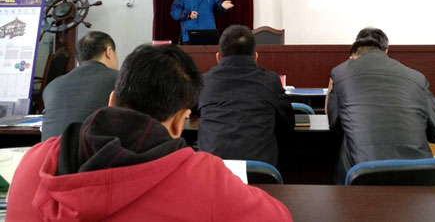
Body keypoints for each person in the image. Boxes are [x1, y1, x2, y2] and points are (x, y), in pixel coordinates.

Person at [7, 44, 291, 221]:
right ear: (180, 122)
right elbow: (279, 217)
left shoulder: (36, 159)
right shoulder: (207, 178)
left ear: (112, 100)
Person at [327, 27, 435, 184]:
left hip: (363, 178)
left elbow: (333, 125)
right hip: (417, 179)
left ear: (355, 51)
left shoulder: (340, 73)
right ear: (386, 50)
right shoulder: (416, 77)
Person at [197, 25, 294, 166]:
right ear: (255, 57)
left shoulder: (203, 82)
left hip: (213, 173)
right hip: (260, 174)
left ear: (218, 57)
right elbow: (288, 123)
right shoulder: (271, 81)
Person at [41, 31, 118, 141]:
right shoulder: (120, 80)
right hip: (95, 150)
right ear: (109, 52)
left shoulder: (52, 86)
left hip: (49, 150)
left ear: (78, 61)